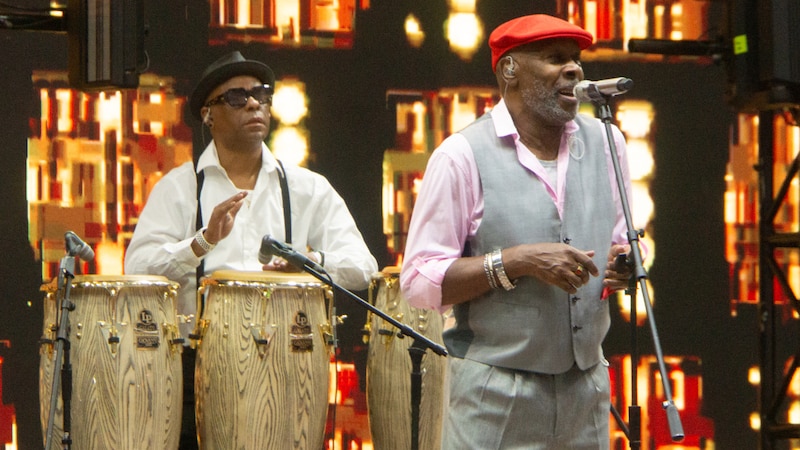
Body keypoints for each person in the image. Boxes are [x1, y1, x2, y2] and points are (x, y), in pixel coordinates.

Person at [399, 14, 635, 449]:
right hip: (494, 394)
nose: (574, 69)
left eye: (576, 59)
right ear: (510, 69)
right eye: (554, 59)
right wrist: (516, 261)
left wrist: (621, 264)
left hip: (586, 392)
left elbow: (620, 239)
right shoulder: (461, 156)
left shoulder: (608, 143)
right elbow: (417, 282)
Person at [124, 51, 378, 449]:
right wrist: (200, 242)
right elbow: (136, 266)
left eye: (261, 94)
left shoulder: (306, 187)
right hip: (195, 365)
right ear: (209, 114)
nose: (255, 103)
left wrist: (311, 263)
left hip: (289, 364)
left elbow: (363, 267)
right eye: (238, 97)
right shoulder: (179, 187)